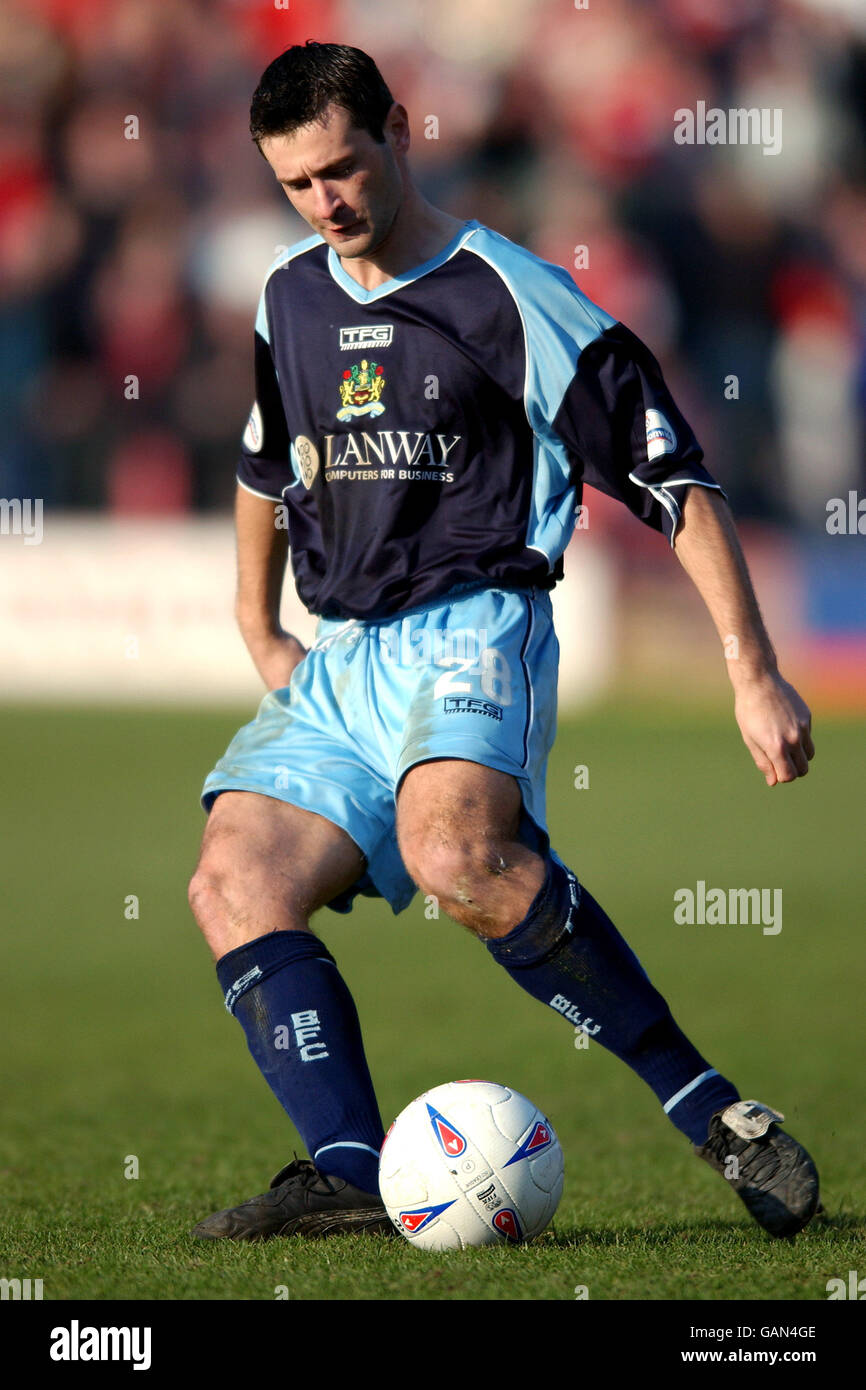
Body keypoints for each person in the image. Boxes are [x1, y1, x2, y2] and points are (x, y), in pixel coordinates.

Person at [188, 42, 819, 1242]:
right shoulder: (288, 294)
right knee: (232, 879)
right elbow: (265, 466)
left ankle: (709, 1109)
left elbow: (673, 479)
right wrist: (251, 619)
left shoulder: (514, 296)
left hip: (472, 629)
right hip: (342, 655)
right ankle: (345, 1168)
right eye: (296, 186)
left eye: (341, 168)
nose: (327, 203)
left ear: (399, 130)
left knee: (455, 858)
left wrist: (751, 670)